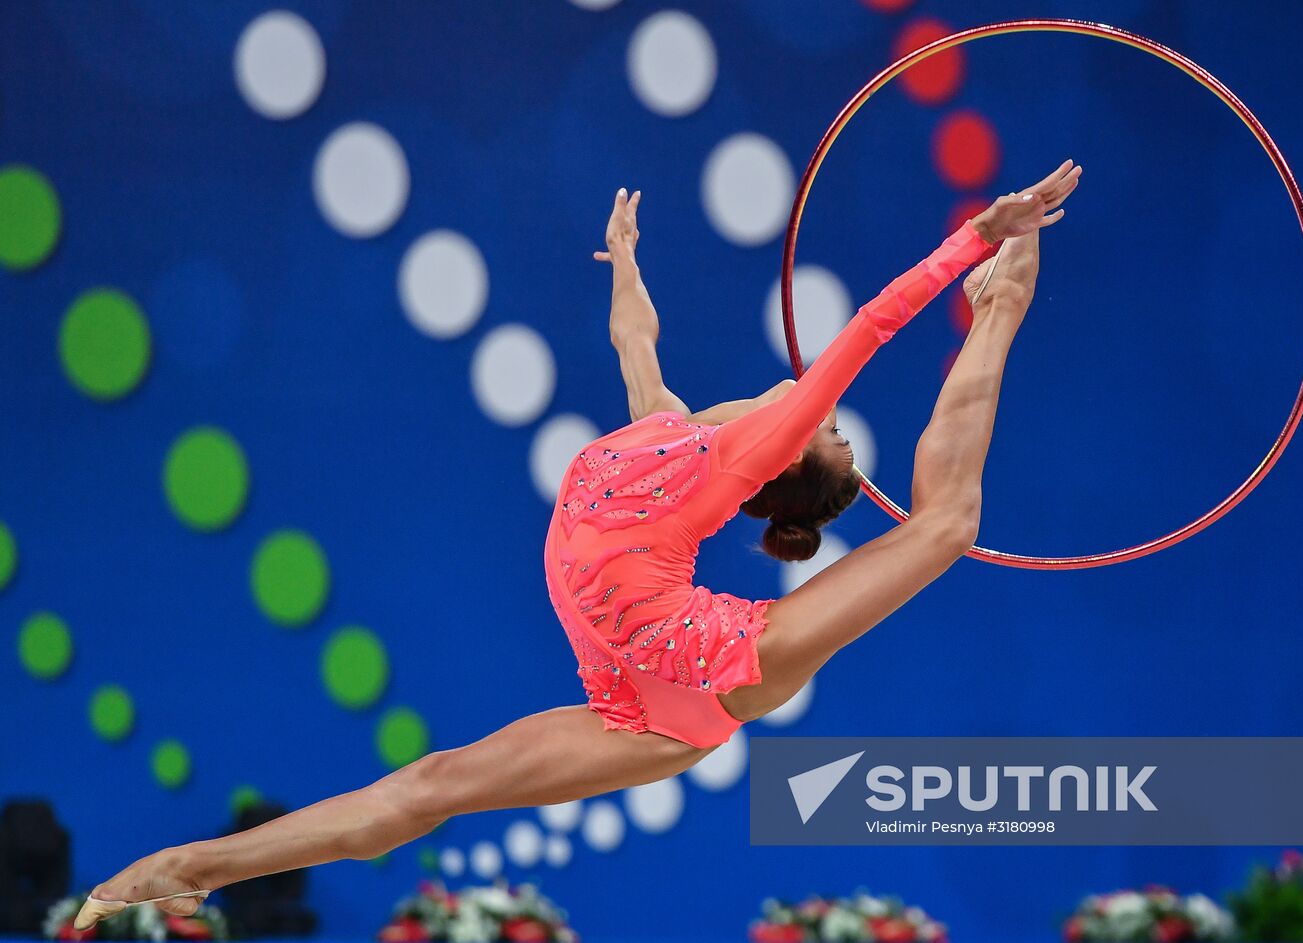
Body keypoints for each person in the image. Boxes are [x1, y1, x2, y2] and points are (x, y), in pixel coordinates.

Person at [75, 160, 1079, 929]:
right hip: (629, 699)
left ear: (786, 454)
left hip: (716, 668)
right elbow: (634, 343)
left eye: (823, 425)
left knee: (946, 522)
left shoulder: (748, 447)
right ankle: (188, 868)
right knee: (429, 786)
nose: (810, 403)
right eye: (829, 423)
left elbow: (863, 329)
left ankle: (1003, 308)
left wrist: (971, 251)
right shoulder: (670, 428)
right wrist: (627, 266)